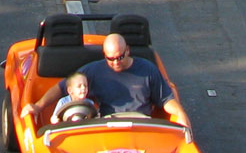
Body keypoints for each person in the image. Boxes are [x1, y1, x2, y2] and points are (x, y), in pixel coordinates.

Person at [27, 34, 187, 126]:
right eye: (110, 59)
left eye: (120, 57)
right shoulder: (93, 71)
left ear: (128, 50)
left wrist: (179, 112)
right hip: (108, 125)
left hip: (141, 124)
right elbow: (62, 88)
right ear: (104, 55)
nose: (116, 62)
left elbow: (166, 99)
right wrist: (38, 106)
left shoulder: (148, 69)